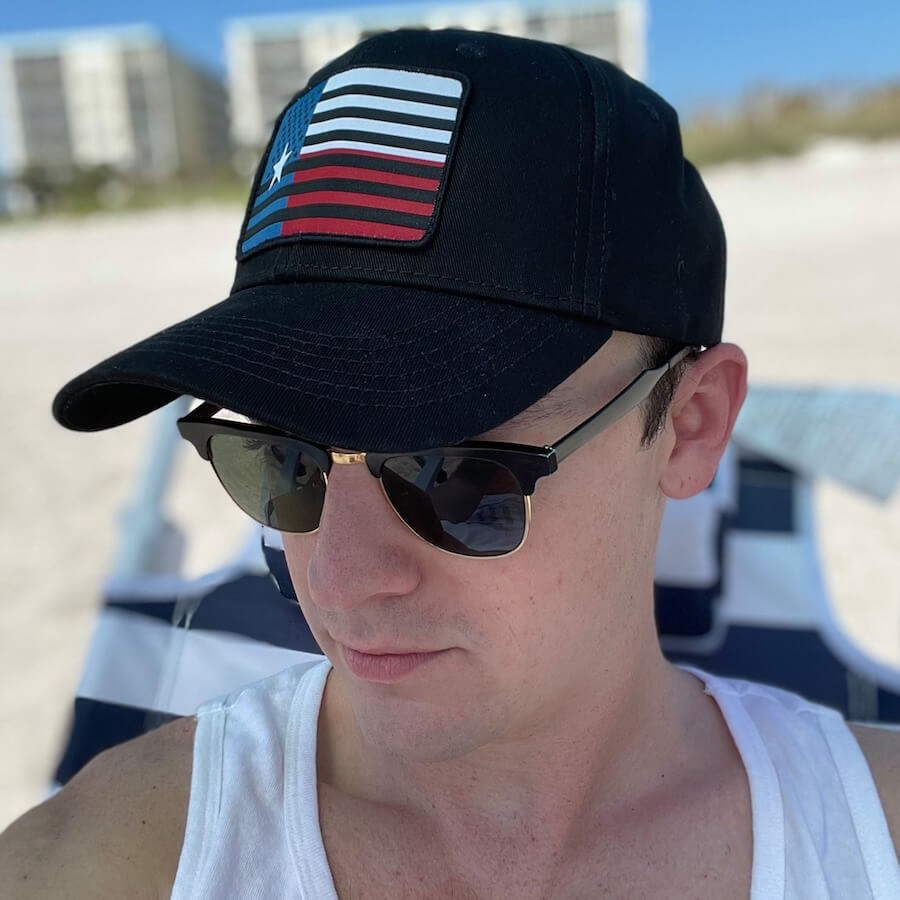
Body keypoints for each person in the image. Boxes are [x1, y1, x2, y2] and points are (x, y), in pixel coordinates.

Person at [2, 26, 898, 899]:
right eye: (281, 461)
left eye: (457, 475)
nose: (339, 583)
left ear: (691, 423)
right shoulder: (107, 857)